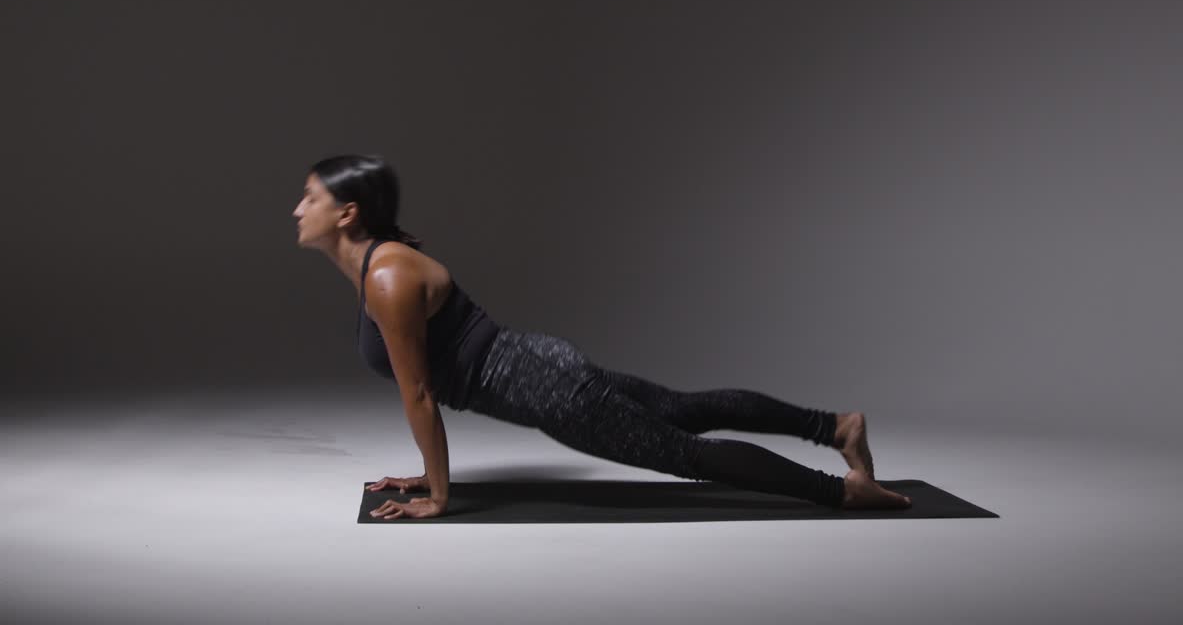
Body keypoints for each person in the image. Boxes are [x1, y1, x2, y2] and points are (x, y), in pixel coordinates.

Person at [293, 154, 913, 520]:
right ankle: (834, 427)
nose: (298, 208)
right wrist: (429, 476)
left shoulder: (387, 276)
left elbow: (421, 395)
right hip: (543, 368)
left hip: (549, 390)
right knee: (681, 411)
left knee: (683, 454)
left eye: (310, 197)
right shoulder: (377, 268)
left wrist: (438, 493)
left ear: (347, 213)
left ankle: (843, 491)